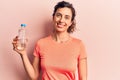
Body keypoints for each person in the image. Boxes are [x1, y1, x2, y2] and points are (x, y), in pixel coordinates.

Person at [12, 1, 87, 80]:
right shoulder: (41, 43)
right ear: (53, 17)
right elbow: (34, 76)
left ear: (71, 22)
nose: (61, 20)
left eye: (66, 17)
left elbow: (83, 78)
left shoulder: (79, 45)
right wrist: (23, 54)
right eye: (58, 15)